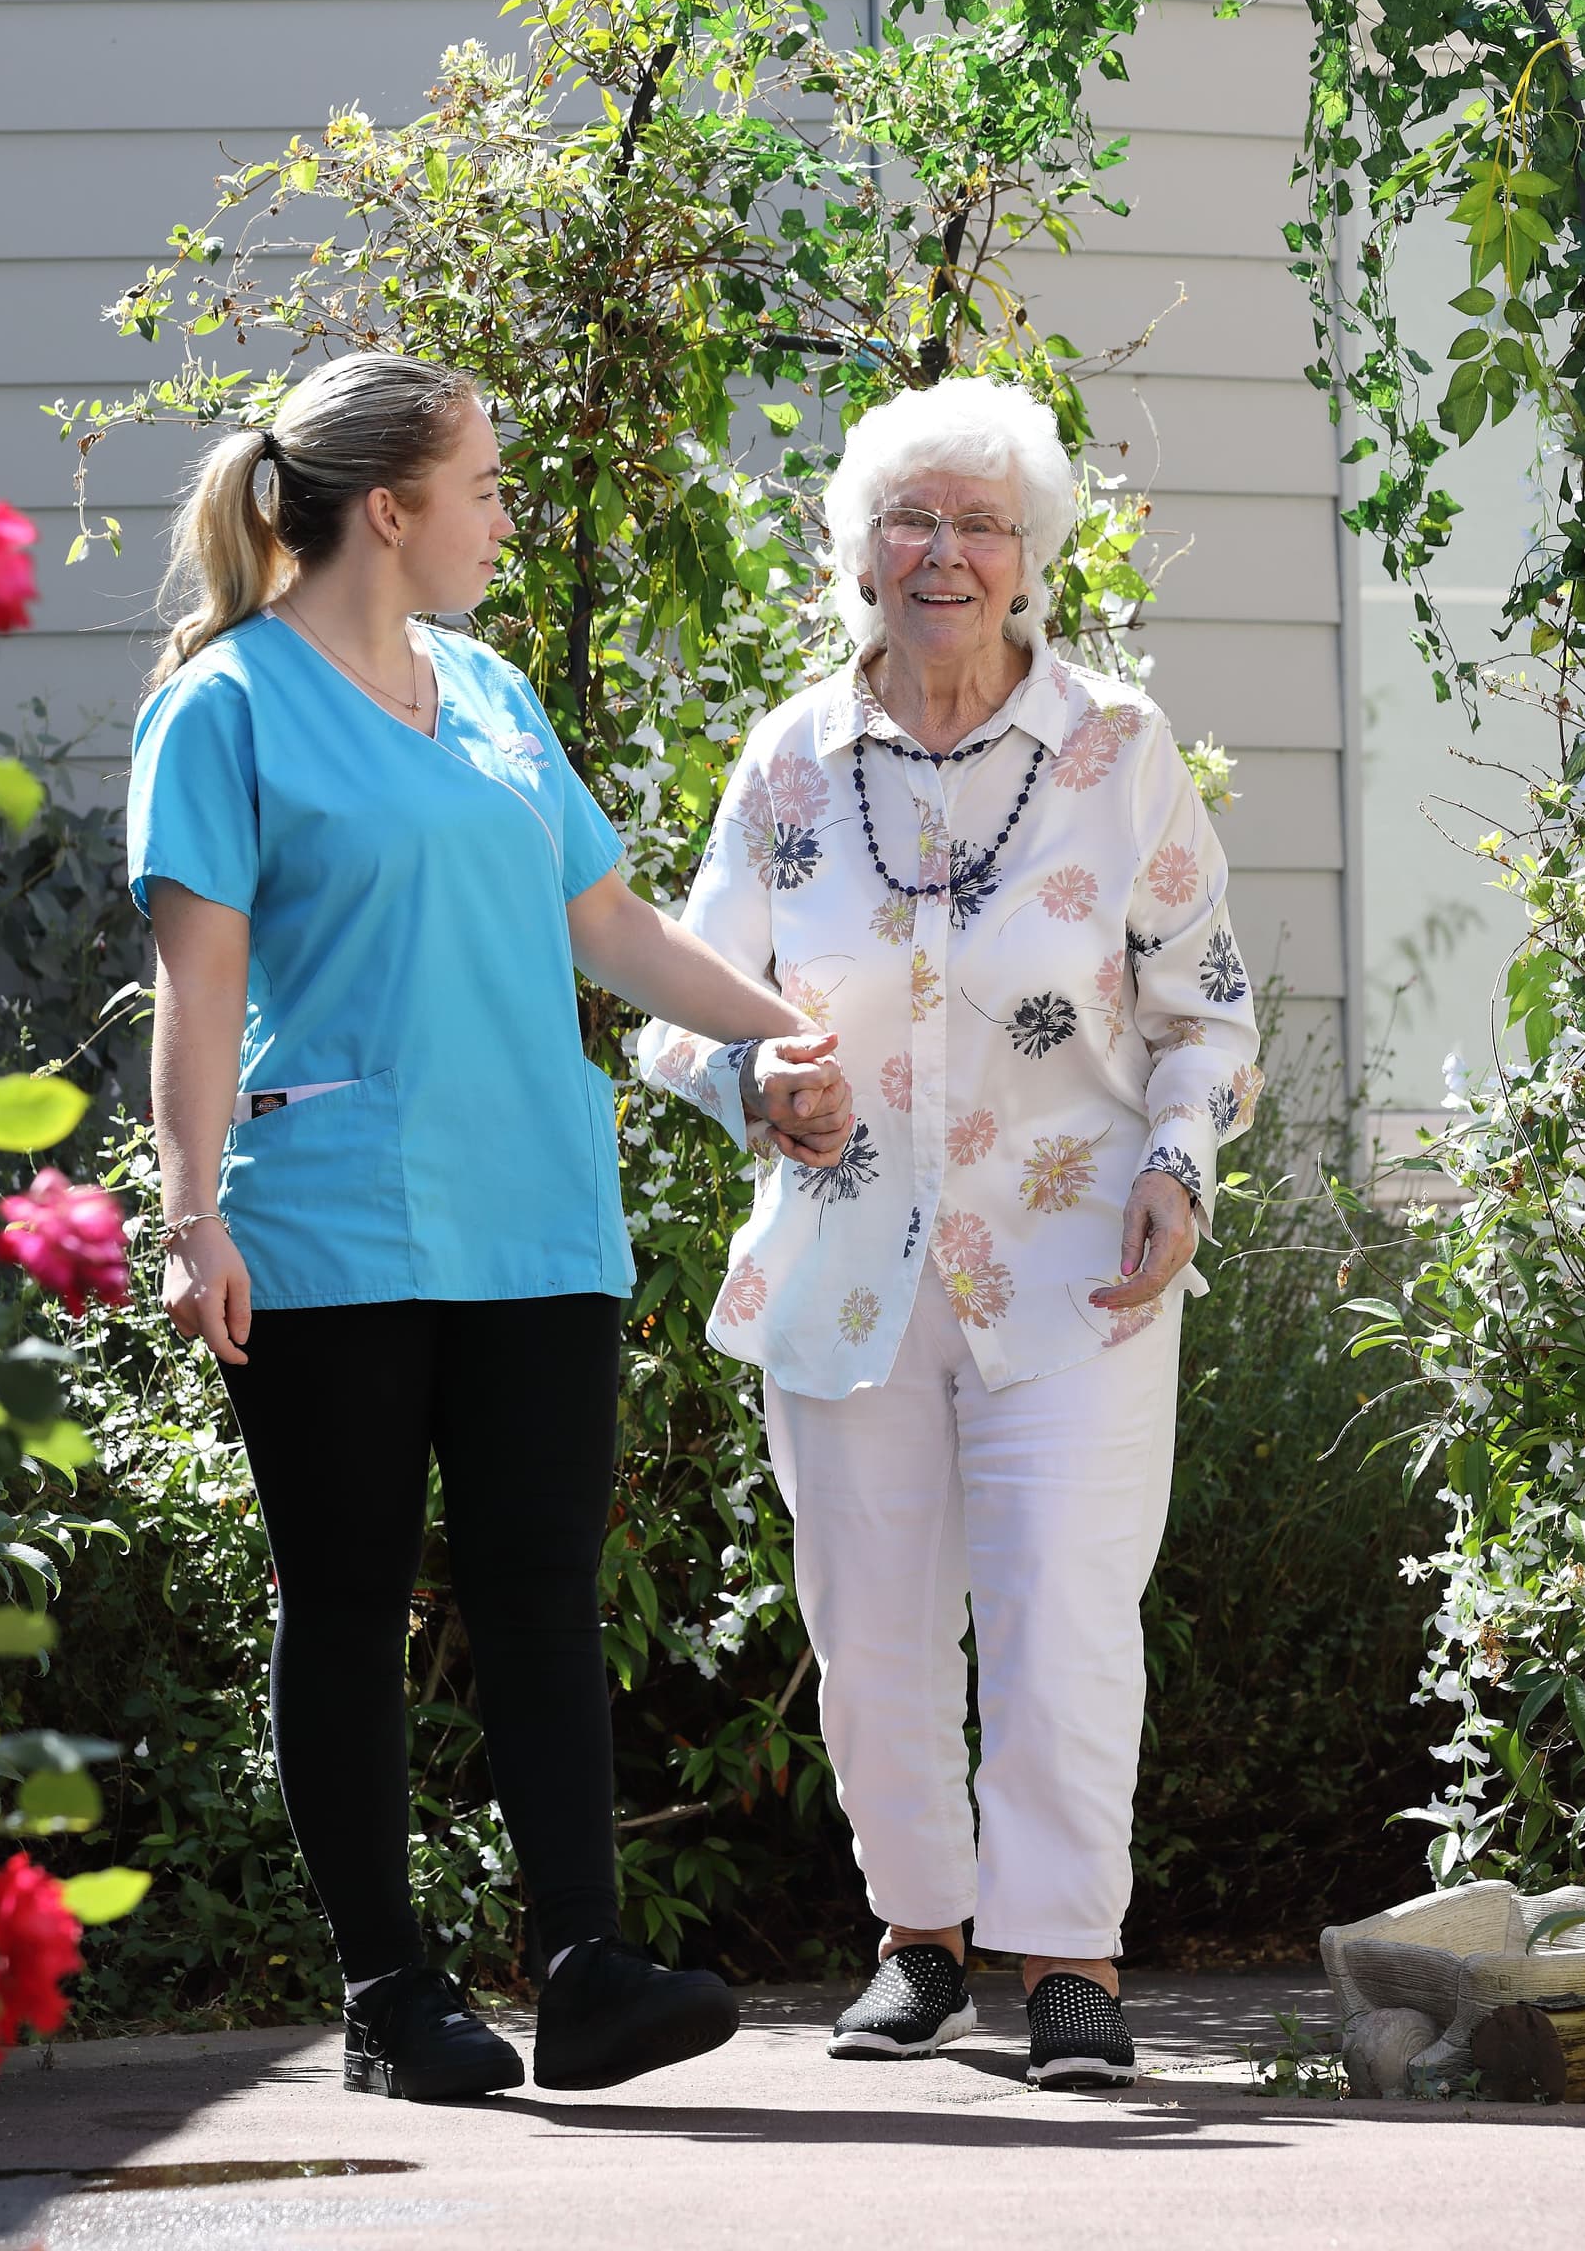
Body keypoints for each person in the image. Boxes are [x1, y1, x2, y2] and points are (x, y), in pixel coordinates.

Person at [128, 351, 856, 2103]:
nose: (507, 518)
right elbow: (196, 988)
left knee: (541, 1596)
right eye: (486, 490)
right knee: (351, 1596)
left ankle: (588, 1970)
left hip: (536, 1212)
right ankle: (390, 1993)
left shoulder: (491, 693)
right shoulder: (222, 706)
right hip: (334, 1226)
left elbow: (608, 921)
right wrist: (188, 1216)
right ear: (390, 511)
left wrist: (784, 1038)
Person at [635, 377, 1260, 2089]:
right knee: (872, 1623)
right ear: (859, 549)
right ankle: (921, 1941)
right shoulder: (786, 761)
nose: (947, 554)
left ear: (1030, 555)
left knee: (1064, 1606)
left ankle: (1071, 1960)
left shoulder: (1118, 752)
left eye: (983, 523)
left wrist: (1181, 1163)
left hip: (1077, 1263)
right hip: (845, 1268)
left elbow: (1205, 1010)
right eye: (913, 519)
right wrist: (757, 1079)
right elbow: (676, 1006)